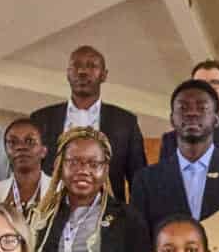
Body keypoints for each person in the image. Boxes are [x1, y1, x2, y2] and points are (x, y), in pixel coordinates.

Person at [31, 126, 140, 252]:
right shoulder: (41, 216)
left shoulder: (127, 219)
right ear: (60, 166)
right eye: (74, 162)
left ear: (105, 168)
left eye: (93, 164)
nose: (83, 171)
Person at [30, 43, 148, 204]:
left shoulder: (125, 122)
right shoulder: (41, 119)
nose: (82, 71)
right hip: (50, 215)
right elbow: (29, 172)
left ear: (104, 75)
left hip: (108, 217)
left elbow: (139, 180)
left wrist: (133, 221)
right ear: (67, 74)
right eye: (76, 66)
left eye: (91, 66)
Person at [132, 79, 219, 252]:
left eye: (202, 108)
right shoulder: (147, 180)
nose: (192, 113)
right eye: (183, 108)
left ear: (217, 119)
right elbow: (139, 242)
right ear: (172, 119)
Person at [0, 116, 55, 226]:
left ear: (43, 151)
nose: (21, 147)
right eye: (13, 142)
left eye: (30, 141)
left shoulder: (60, 191)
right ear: (6, 151)